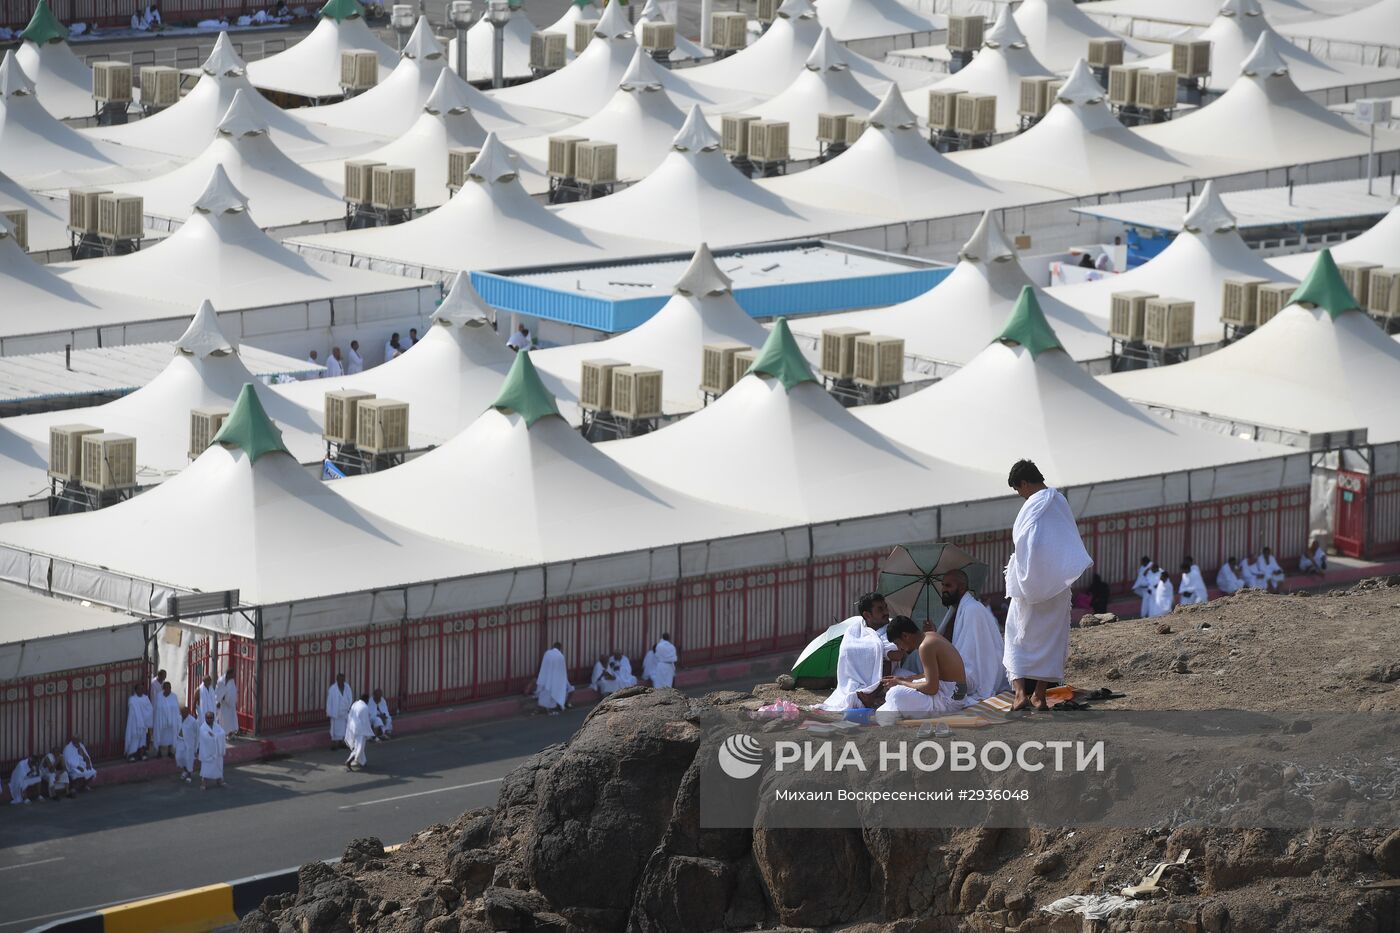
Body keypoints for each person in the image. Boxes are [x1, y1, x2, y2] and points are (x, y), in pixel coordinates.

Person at [1003, 459, 1093, 712]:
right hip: (1056, 582)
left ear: (1024, 483)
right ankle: (1039, 695)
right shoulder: (1059, 501)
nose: (1020, 495)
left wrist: (1027, 574)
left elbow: (1026, 544)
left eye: (1018, 489)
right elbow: (1065, 540)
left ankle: (1020, 693)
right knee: (1052, 638)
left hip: (1027, 584)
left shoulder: (1033, 505)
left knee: (1017, 636)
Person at [875, 616, 969, 722]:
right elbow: (929, 675)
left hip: (950, 702)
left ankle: (893, 712)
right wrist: (904, 679)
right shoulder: (930, 636)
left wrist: (900, 682)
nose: (900, 648)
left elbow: (931, 688)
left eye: (897, 643)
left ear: (905, 636)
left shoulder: (925, 646)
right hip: (953, 694)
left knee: (895, 694)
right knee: (898, 684)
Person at [938, 569, 1007, 703]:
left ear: (962, 587)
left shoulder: (972, 610)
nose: (943, 589)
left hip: (979, 675)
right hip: (964, 670)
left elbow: (972, 659)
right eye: (943, 585)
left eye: (948, 586)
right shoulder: (956, 609)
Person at [817, 614, 886, 711]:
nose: (886, 612)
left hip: (881, 679)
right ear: (867, 614)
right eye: (880, 610)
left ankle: (869, 693)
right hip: (854, 680)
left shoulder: (888, 630)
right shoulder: (852, 630)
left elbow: (893, 654)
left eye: (885, 607)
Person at [534, 642, 571, 714]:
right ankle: (550, 710)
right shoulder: (561, 656)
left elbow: (543, 666)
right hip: (555, 679)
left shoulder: (547, 653)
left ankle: (541, 709)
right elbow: (562, 670)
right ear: (560, 648)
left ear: (553, 646)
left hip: (546, 678)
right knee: (553, 693)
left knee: (544, 693)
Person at [197, 710, 226, 790]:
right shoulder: (202, 728)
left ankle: (219, 780)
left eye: (211, 718)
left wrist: (214, 735)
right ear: (205, 718)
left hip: (217, 752)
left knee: (218, 766)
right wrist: (216, 736)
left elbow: (223, 733)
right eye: (207, 718)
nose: (209, 719)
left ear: (213, 718)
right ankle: (204, 782)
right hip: (208, 753)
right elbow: (206, 738)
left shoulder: (217, 726)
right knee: (206, 768)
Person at [344, 694, 373, 772]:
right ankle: (348, 762)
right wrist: (370, 734)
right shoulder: (365, 707)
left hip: (352, 728)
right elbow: (365, 722)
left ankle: (363, 762)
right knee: (359, 748)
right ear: (366, 700)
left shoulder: (355, 703)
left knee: (359, 746)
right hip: (360, 730)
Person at [125, 684, 153, 761]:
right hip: (134, 723)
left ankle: (142, 754)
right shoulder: (132, 699)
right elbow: (132, 712)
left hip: (143, 723)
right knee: (134, 737)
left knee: (142, 738)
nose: (141, 690)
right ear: (136, 690)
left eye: (142, 689)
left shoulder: (146, 698)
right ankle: (131, 755)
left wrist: (145, 719)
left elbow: (150, 709)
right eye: (139, 689)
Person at [326, 673, 353, 749]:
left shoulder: (347, 687)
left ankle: (342, 742)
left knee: (345, 727)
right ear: (337, 679)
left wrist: (349, 707)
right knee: (335, 728)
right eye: (340, 679)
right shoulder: (332, 689)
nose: (341, 681)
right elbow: (329, 701)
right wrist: (329, 712)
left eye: (343, 679)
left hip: (345, 711)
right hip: (336, 711)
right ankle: (334, 744)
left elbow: (350, 697)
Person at [153, 681, 180, 757]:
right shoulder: (158, 696)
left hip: (172, 721)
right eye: (167, 687)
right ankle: (159, 751)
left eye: (170, 687)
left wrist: (177, 720)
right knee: (159, 735)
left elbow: (177, 709)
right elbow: (155, 708)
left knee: (171, 736)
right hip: (160, 720)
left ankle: (170, 751)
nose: (168, 689)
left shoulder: (174, 696)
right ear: (163, 688)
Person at [175, 707, 199, 783]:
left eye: (185, 712)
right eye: (181, 712)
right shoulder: (178, 718)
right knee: (179, 757)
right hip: (180, 741)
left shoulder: (193, 721)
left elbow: (197, 734)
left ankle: (189, 775)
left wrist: (196, 747)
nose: (183, 714)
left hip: (189, 742)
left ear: (188, 712)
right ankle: (184, 770)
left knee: (189, 759)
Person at [217, 670, 238, 738]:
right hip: (223, 704)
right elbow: (218, 691)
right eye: (232, 674)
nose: (234, 676)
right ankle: (224, 733)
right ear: (228, 674)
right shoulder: (221, 681)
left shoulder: (232, 681)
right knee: (223, 719)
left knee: (231, 719)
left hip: (230, 704)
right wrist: (219, 700)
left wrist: (232, 700)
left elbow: (233, 691)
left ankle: (230, 733)